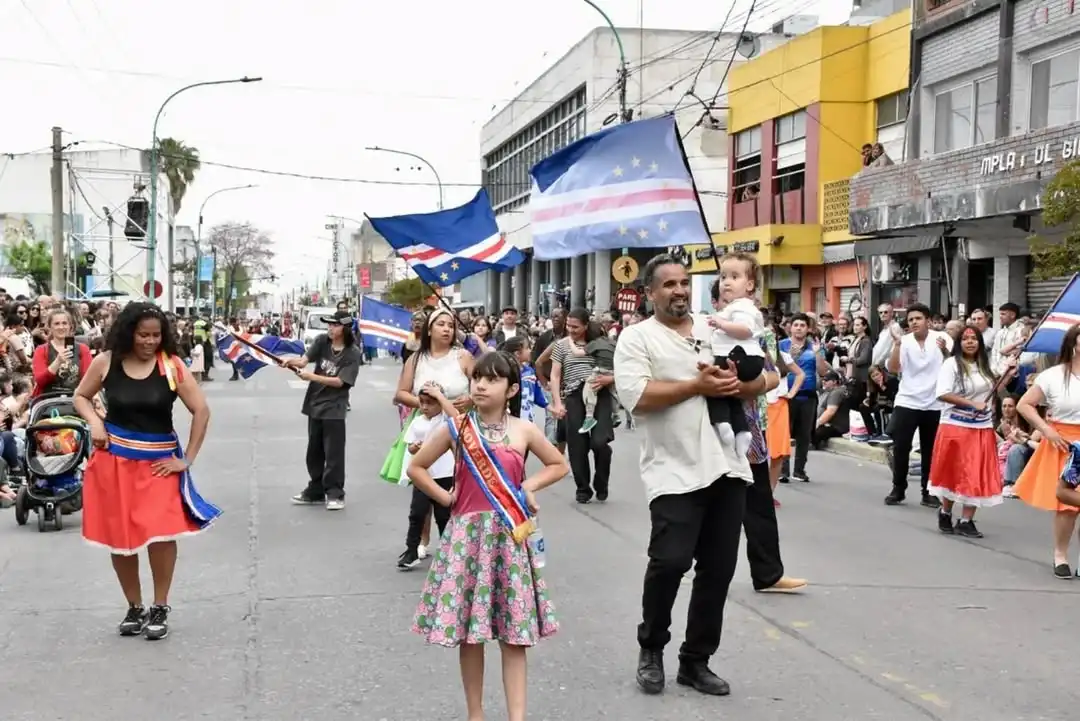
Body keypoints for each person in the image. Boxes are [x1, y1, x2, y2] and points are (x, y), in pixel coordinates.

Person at [614, 255, 766, 697]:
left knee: (718, 570)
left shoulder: (716, 325)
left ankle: (695, 661)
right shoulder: (636, 338)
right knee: (670, 562)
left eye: (684, 283)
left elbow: (767, 376)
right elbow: (637, 396)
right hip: (673, 470)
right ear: (649, 293)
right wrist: (697, 387)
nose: (679, 291)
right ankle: (651, 649)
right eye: (668, 285)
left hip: (729, 466)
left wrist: (737, 384)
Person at [408, 351, 567, 721]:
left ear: (512, 389)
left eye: (492, 379)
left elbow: (559, 464)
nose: (480, 384)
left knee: (514, 635)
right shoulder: (457, 427)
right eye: (477, 377)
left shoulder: (524, 430)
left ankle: (517, 717)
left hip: (510, 537)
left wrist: (530, 485)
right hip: (467, 539)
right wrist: (446, 497)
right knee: (470, 633)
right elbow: (417, 467)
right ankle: (475, 714)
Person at [72, 302, 218, 640]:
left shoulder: (172, 366)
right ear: (128, 332)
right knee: (121, 540)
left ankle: (160, 605)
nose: (150, 341)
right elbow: (80, 396)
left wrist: (187, 459)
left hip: (159, 465)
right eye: (143, 335)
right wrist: (95, 422)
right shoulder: (106, 362)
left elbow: (201, 411)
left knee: (160, 534)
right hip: (114, 464)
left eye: (156, 335)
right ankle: (134, 606)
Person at [393, 307, 473, 558]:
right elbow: (400, 394)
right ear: (429, 329)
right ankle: (420, 541)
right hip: (425, 428)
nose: (447, 329)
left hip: (457, 427)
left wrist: (469, 399)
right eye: (441, 324)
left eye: (450, 324)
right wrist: (429, 404)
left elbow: (482, 385)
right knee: (423, 486)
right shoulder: (416, 359)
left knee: (455, 486)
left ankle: (456, 541)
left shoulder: (463, 356)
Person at [1015, 324, 1080, 578]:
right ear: (1073, 344)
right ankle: (1060, 554)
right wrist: (1047, 429)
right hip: (1064, 443)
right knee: (1067, 505)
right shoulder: (1054, 375)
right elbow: (1025, 405)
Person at [926, 326, 1004, 537]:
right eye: (966, 339)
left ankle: (966, 520)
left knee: (975, 473)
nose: (970, 342)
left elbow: (993, 389)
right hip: (955, 425)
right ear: (959, 343)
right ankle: (945, 512)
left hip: (981, 427)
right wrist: (971, 404)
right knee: (954, 471)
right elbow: (942, 393)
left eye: (974, 339)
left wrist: (1009, 372)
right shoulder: (951, 364)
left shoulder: (986, 365)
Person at [284, 310, 363, 511]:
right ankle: (316, 489)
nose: (330, 328)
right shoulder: (321, 342)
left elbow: (339, 381)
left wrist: (311, 377)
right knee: (314, 451)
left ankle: (335, 493)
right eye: (328, 325)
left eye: (334, 325)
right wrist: (289, 361)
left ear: (344, 328)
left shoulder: (352, 353)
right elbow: (303, 361)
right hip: (314, 404)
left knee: (333, 452)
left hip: (334, 407)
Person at [884, 303, 953, 508]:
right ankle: (898, 488)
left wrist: (945, 352)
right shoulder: (903, 341)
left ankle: (928, 491)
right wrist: (896, 346)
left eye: (918, 318)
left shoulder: (942, 338)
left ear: (928, 321)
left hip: (934, 402)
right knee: (901, 447)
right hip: (907, 400)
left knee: (930, 449)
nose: (914, 322)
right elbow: (894, 368)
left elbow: (954, 365)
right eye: (911, 319)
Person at [550, 307, 615, 504]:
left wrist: (608, 380)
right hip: (573, 396)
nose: (571, 330)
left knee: (599, 443)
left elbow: (619, 367)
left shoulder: (599, 344)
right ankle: (583, 488)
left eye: (576, 327)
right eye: (568, 326)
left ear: (586, 326)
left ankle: (601, 482)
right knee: (577, 446)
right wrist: (557, 402)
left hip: (599, 394)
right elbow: (555, 375)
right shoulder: (561, 346)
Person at [706, 255, 765, 457]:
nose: (726, 282)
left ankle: (722, 423)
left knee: (713, 388)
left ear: (750, 285)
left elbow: (745, 330)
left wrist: (720, 324)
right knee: (732, 397)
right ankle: (741, 431)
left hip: (738, 356)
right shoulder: (734, 307)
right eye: (723, 277)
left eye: (734, 277)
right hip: (742, 357)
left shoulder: (743, 306)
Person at [396, 382, 459, 570]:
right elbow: (409, 444)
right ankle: (411, 550)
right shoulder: (417, 421)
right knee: (417, 513)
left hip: (444, 473)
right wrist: (413, 447)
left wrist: (440, 396)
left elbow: (456, 417)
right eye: (422, 402)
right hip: (423, 475)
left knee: (443, 515)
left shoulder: (446, 420)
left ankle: (448, 551)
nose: (424, 407)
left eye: (430, 403)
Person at [32, 308, 93, 397]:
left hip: (75, 399)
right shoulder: (41, 350)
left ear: (70, 326)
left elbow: (88, 379)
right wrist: (58, 362)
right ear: (49, 327)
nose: (61, 327)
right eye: (56, 324)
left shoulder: (83, 349)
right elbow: (40, 381)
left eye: (64, 323)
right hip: (49, 400)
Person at [502, 336, 547, 423]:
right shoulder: (506, 373)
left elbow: (537, 393)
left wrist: (551, 408)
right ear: (517, 353)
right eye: (527, 348)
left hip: (528, 418)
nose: (530, 351)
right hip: (510, 419)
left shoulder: (530, 372)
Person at [579, 331, 617, 434]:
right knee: (614, 393)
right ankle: (617, 414)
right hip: (613, 372)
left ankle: (589, 417)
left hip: (600, 372)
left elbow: (578, 353)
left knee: (589, 390)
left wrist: (569, 341)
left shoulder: (595, 343)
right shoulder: (613, 343)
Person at [812, 371, 850, 448]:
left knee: (814, 432)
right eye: (823, 380)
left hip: (838, 427)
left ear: (834, 382)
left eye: (826, 380)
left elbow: (830, 412)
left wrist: (817, 423)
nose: (823, 382)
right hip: (834, 425)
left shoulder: (836, 393)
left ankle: (812, 444)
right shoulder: (834, 392)